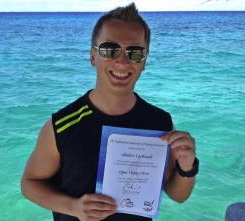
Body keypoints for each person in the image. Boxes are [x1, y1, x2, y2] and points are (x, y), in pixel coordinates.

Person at [20, 2, 198, 221]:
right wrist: (73, 207)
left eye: (135, 52)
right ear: (93, 57)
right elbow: (29, 184)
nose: (122, 61)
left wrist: (187, 166)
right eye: (109, 49)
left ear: (144, 62)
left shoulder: (159, 123)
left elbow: (178, 195)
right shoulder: (61, 125)